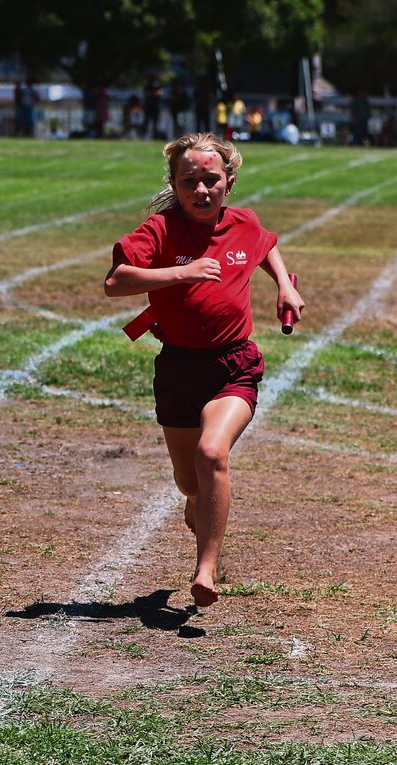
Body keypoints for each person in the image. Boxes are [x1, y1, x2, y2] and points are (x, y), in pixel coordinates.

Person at [103, 132, 303, 608]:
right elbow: (116, 283)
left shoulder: (242, 223)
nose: (201, 190)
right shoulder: (160, 231)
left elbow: (264, 243)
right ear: (174, 184)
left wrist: (284, 287)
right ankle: (196, 503)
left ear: (228, 183)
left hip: (234, 364)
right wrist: (182, 272)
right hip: (177, 368)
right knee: (189, 480)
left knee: (212, 454)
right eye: (189, 181)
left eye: (211, 180)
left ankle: (206, 569)